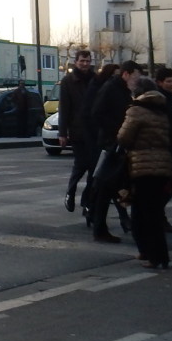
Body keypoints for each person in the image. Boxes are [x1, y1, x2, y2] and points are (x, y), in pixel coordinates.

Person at [115, 79, 172, 269]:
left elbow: (123, 137)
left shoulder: (136, 110)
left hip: (142, 166)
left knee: (144, 213)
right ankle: (158, 254)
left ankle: (154, 255)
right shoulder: (161, 110)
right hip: (163, 164)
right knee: (154, 212)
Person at [86, 61, 138, 243]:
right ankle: (99, 225)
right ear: (126, 74)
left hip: (116, 142)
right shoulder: (111, 88)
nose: (136, 80)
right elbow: (97, 113)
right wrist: (115, 132)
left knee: (108, 187)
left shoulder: (121, 89)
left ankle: (102, 223)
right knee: (105, 186)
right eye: (135, 77)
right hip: (111, 143)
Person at [58, 50, 96, 214]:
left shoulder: (95, 79)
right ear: (76, 62)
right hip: (78, 130)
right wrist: (62, 133)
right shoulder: (68, 81)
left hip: (94, 130)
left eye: (87, 61)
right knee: (81, 164)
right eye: (82, 61)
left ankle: (88, 200)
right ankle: (71, 191)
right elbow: (64, 108)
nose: (85, 64)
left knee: (94, 167)